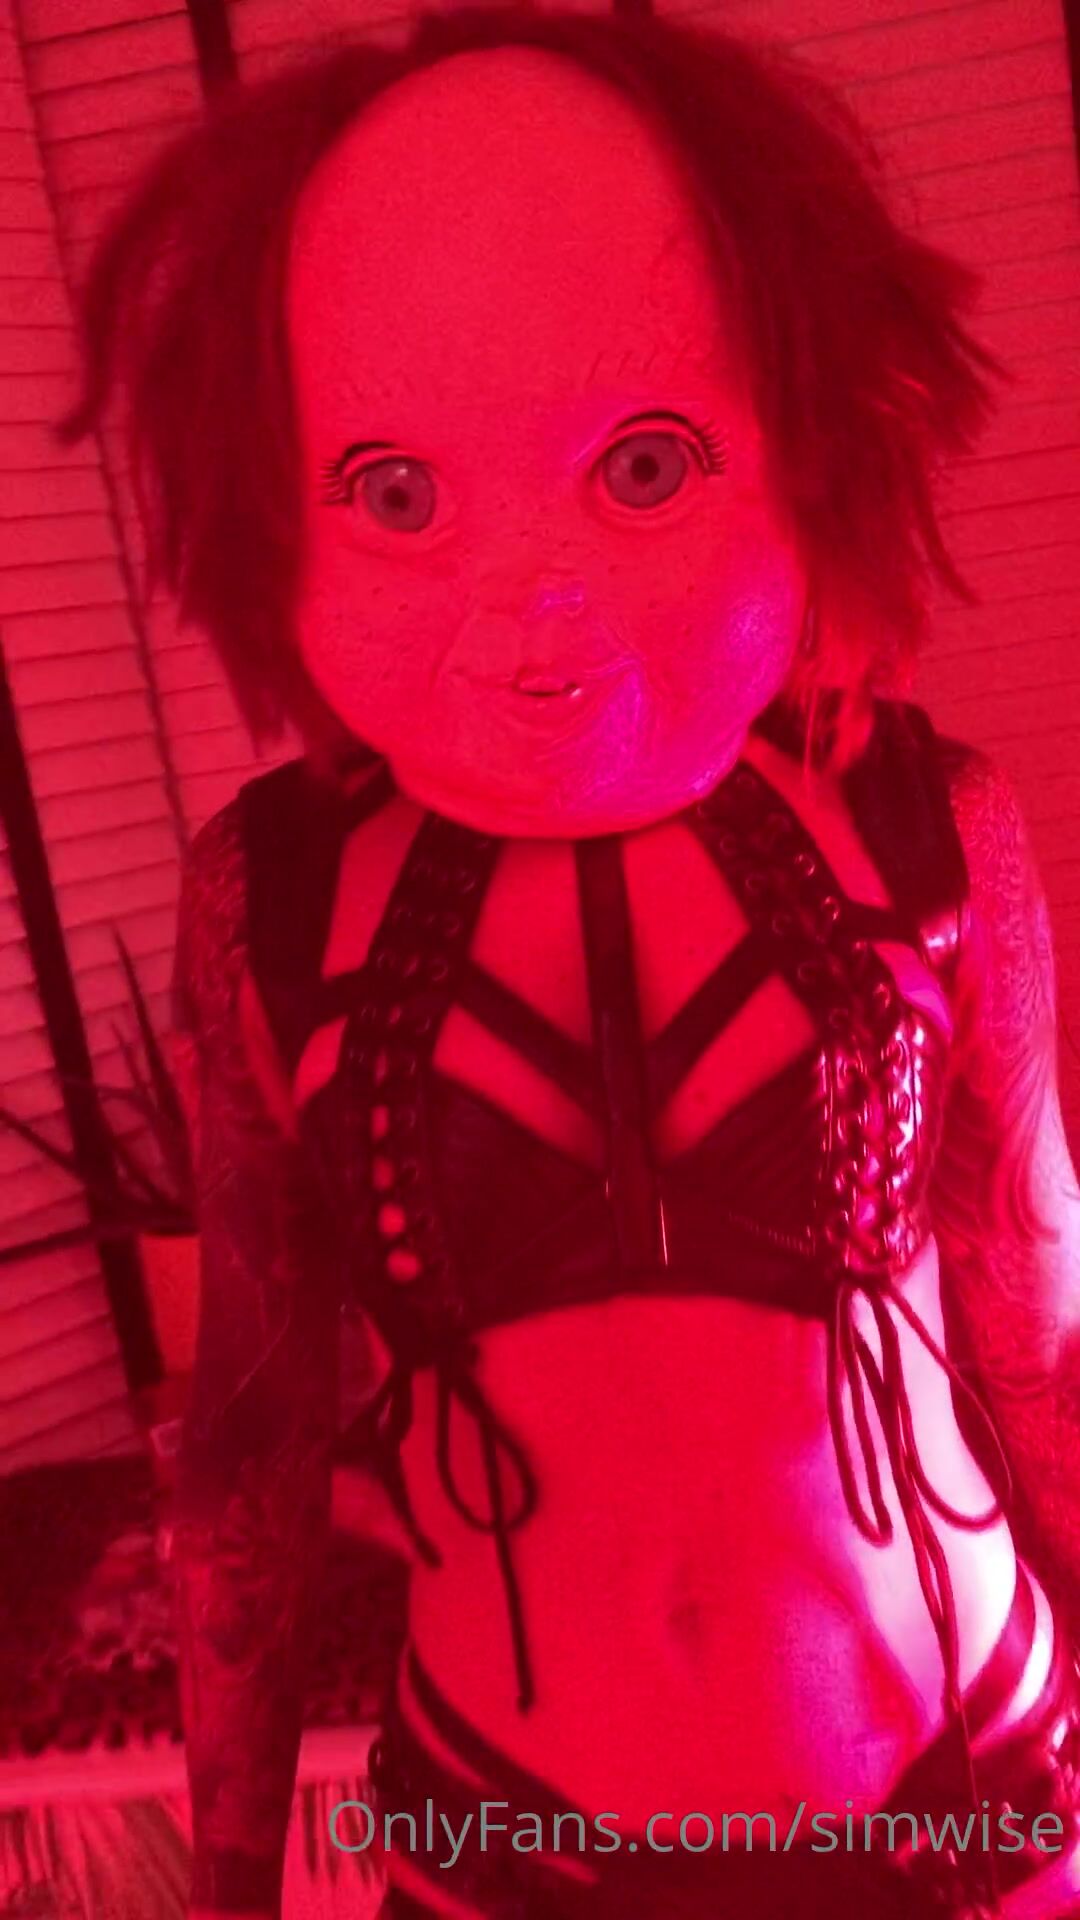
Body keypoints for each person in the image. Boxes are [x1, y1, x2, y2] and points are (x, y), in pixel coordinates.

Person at [57, 8, 1080, 1915]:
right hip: (505, 1842)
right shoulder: (270, 896)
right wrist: (227, 1881)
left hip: (971, 1796)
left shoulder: (935, 828)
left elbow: (1042, 1342)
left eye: (645, 464)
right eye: (396, 493)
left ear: (814, 431)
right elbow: (255, 1451)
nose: (535, 598)